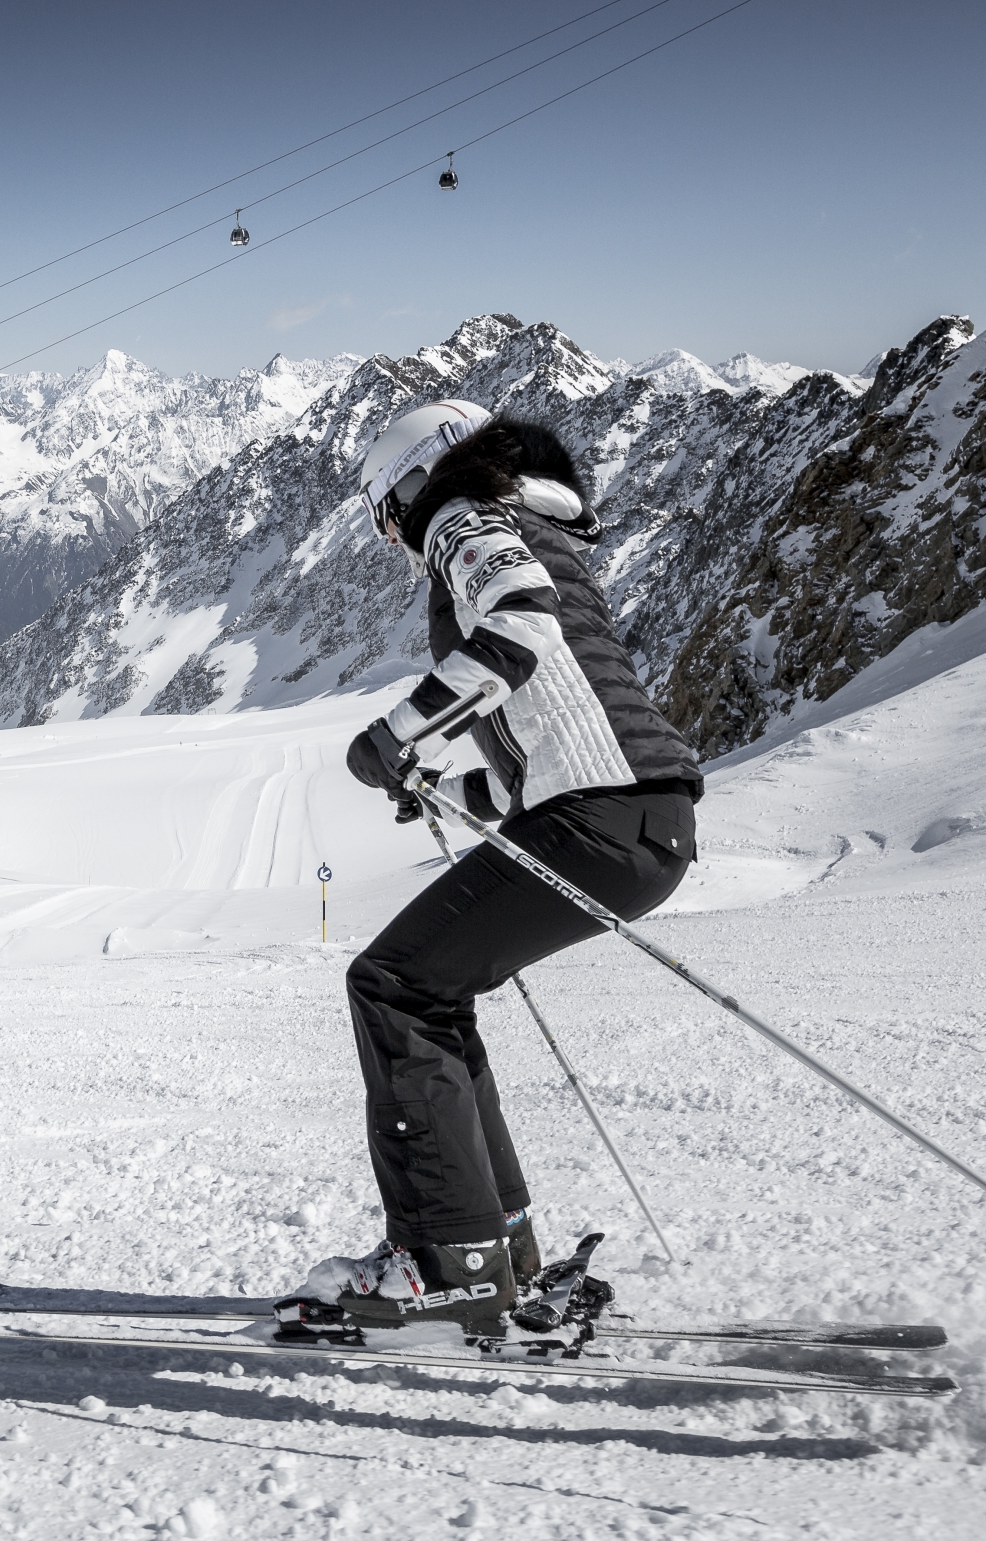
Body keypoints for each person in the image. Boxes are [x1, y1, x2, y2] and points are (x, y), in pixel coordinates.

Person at [312, 399, 702, 1334]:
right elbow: (566, 719)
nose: (399, 533)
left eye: (386, 513)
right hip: (647, 817)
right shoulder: (533, 522)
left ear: (409, 484)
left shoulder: (462, 512)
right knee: (432, 991)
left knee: (394, 986)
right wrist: (460, 782)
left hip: (598, 819)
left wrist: (396, 735)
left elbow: (522, 627)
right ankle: (499, 1244)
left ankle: (451, 1259)